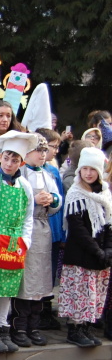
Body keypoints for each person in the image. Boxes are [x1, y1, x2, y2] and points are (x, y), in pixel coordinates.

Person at [0, 131, 37, 353]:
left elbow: (28, 216)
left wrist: (25, 240)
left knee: (9, 286)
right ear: (0, 157)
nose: (9, 164)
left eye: (15, 160)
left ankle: (4, 325)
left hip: (15, 242)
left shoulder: (24, 186)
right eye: (6, 158)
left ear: (21, 162)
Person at [9, 135, 62, 347]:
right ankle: (19, 326)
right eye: (38, 150)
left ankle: (34, 325)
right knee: (25, 280)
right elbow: (12, 200)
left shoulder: (48, 174)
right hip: (25, 228)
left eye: (44, 151)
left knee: (40, 279)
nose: (42, 154)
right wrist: (33, 199)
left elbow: (57, 198)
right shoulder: (19, 174)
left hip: (43, 230)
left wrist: (53, 199)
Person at [60, 148, 112, 347]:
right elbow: (78, 228)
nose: (88, 173)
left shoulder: (104, 193)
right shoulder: (75, 194)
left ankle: (87, 328)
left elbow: (108, 224)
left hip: (100, 256)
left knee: (95, 294)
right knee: (80, 293)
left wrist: (108, 249)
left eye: (93, 169)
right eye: (85, 169)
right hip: (81, 254)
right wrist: (96, 250)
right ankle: (75, 329)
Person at [36, 128, 67, 331]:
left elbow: (59, 201)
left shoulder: (53, 171)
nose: (55, 151)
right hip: (38, 227)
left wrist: (62, 233)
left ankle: (46, 310)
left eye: (56, 147)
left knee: (50, 270)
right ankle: (36, 311)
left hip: (54, 228)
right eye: (51, 147)